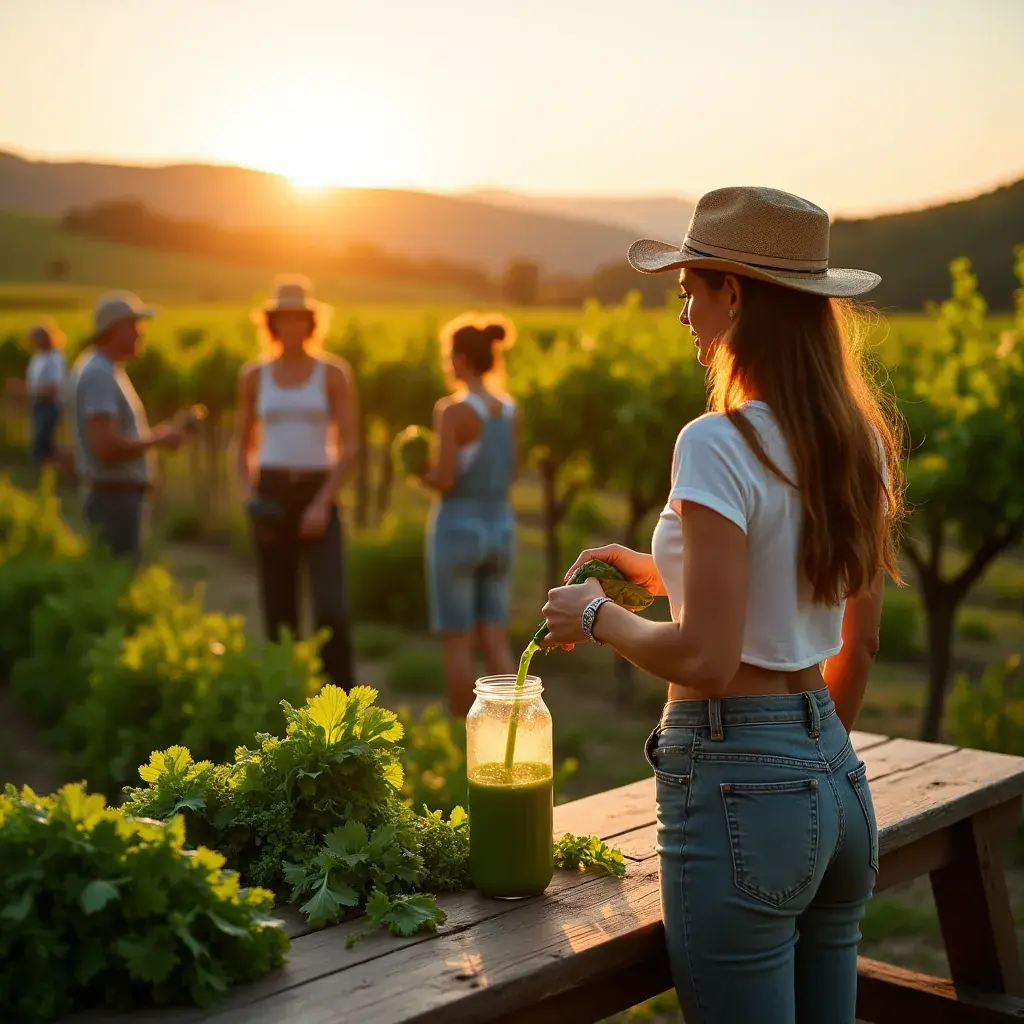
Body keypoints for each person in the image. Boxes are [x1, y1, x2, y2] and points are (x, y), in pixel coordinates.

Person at [540, 187, 904, 1024]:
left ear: (733, 295)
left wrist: (597, 616)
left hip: (740, 786)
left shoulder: (716, 441)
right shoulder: (857, 442)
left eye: (688, 294)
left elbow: (706, 657)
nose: (685, 317)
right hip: (839, 785)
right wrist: (660, 569)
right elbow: (860, 632)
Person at [234, 275, 359, 691]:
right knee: (278, 609)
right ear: (272, 323)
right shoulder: (254, 375)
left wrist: (323, 503)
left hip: (316, 491)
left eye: (299, 318)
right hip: (271, 491)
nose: (292, 326)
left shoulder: (333, 373)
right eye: (283, 318)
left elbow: (351, 446)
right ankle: (282, 696)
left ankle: (340, 701)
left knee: (331, 608)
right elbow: (241, 446)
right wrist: (250, 496)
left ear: (310, 323)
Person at [420, 312, 519, 717]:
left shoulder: (453, 411)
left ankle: (464, 736)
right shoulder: (510, 409)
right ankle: (515, 724)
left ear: (460, 360)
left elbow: (444, 478)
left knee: (457, 639)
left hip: (459, 529)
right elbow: (511, 472)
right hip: (502, 527)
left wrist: (416, 472)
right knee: (495, 637)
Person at [67, 292, 187, 564]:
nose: (140, 334)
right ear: (115, 329)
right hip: (114, 501)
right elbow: (105, 447)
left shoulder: (103, 368)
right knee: (116, 579)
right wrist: (158, 439)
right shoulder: (99, 373)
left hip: (114, 497)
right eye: (135, 326)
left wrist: (157, 435)